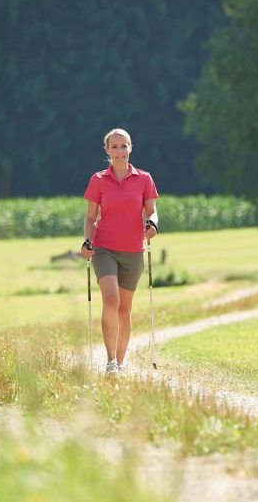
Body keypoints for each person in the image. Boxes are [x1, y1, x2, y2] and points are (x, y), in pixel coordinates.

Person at [80, 128, 159, 377]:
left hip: (134, 250)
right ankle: (110, 361)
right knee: (111, 300)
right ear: (107, 151)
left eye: (123, 146)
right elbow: (91, 217)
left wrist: (153, 224)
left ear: (131, 148)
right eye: (114, 147)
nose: (120, 151)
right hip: (104, 249)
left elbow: (152, 211)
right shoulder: (98, 180)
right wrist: (87, 242)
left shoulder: (144, 178)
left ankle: (121, 363)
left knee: (124, 309)